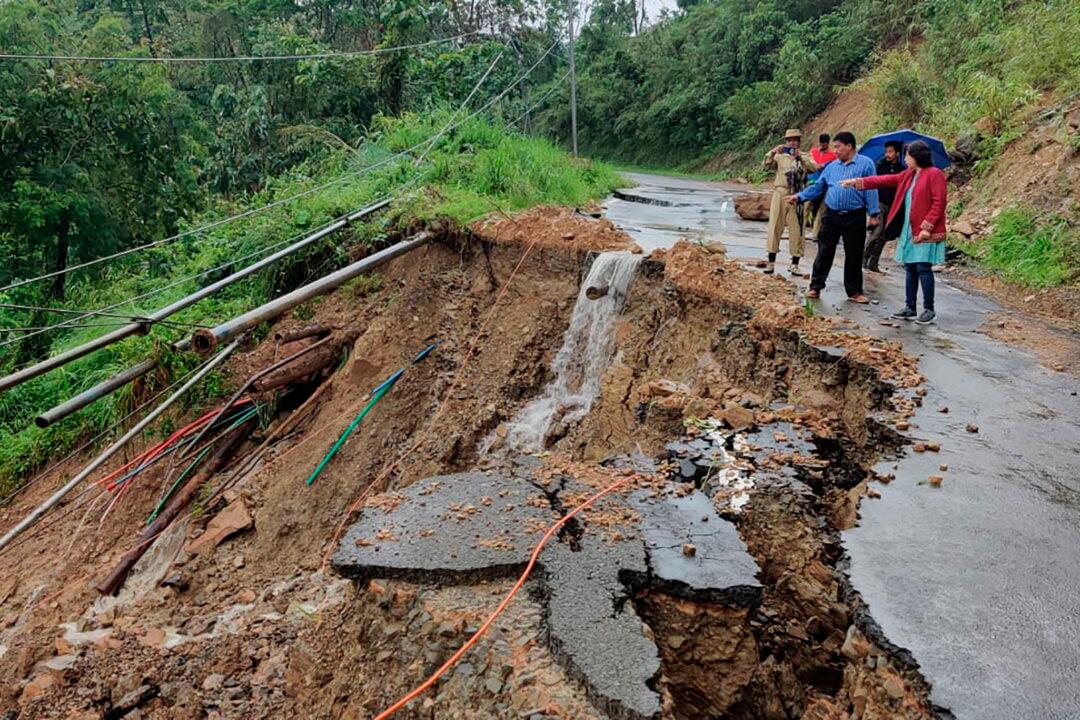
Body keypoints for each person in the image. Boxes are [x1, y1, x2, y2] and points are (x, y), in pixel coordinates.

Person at [841, 139, 947, 324]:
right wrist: (858, 182)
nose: (905, 159)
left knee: (923, 267)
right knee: (910, 268)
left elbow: (939, 203)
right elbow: (885, 180)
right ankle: (910, 307)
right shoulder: (909, 175)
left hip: (924, 230)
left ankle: (929, 309)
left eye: (907, 155)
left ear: (916, 157)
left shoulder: (934, 174)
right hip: (909, 228)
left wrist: (927, 227)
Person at [786, 131, 879, 302]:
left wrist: (874, 214)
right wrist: (800, 197)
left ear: (849, 146)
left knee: (854, 255)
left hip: (855, 216)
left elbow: (871, 189)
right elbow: (819, 187)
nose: (835, 151)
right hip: (831, 215)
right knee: (825, 252)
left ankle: (854, 292)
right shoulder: (832, 167)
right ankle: (815, 287)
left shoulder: (866, 165)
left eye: (838, 147)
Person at [763, 129, 819, 277]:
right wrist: (774, 151)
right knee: (775, 225)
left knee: (797, 229)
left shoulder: (804, 156)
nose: (792, 143)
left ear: (799, 142)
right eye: (789, 140)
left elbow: (814, 168)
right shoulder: (780, 156)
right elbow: (766, 164)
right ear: (786, 142)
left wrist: (800, 157)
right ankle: (770, 262)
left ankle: (795, 264)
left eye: (795, 140)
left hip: (798, 194)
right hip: (780, 192)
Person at [863, 139, 906, 273]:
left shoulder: (902, 169)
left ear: (898, 153)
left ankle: (874, 262)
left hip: (894, 205)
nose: (887, 154)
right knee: (877, 232)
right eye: (886, 151)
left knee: (884, 235)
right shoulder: (879, 165)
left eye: (890, 152)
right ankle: (864, 258)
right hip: (880, 202)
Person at [807, 134, 836, 237]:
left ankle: (816, 234)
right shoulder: (813, 152)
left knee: (821, 210)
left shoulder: (833, 156)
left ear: (828, 144)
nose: (822, 146)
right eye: (820, 144)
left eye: (824, 145)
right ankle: (800, 231)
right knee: (806, 207)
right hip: (811, 183)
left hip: (824, 185)